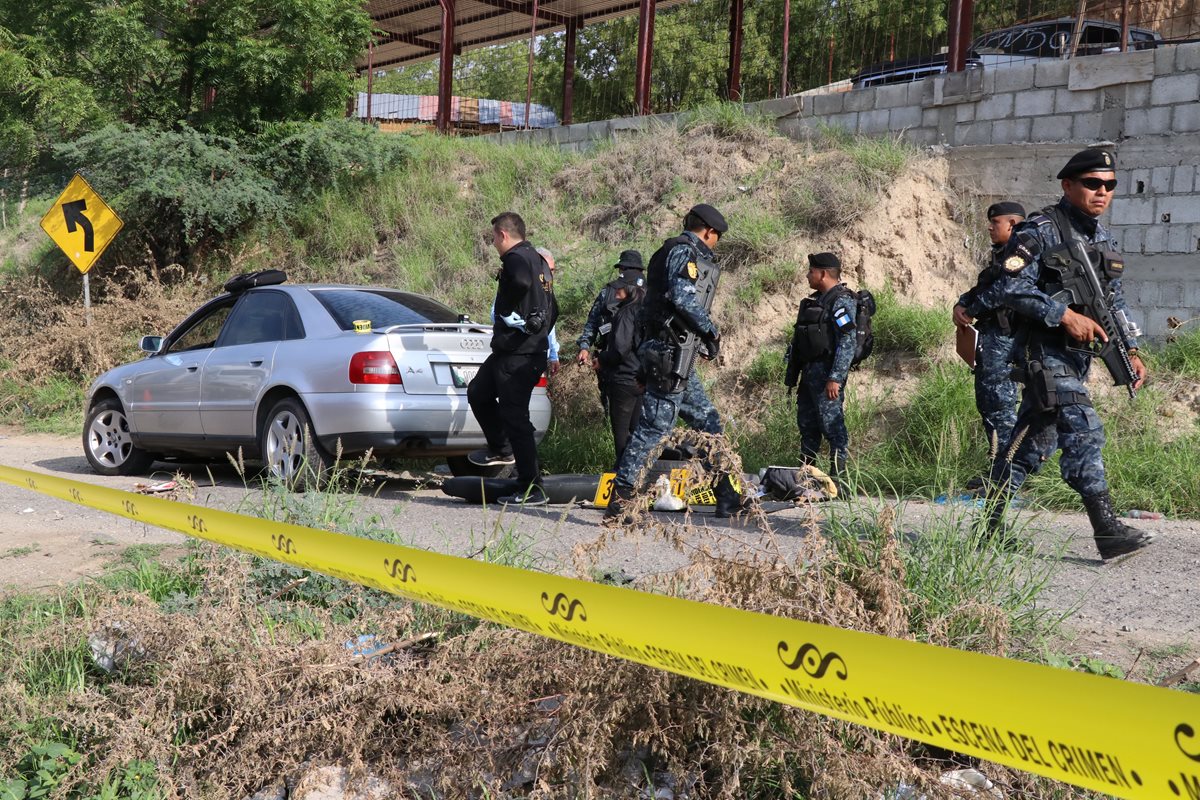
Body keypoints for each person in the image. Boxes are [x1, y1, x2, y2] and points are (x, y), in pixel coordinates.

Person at [983, 148, 1154, 561]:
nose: (1102, 192)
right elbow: (1007, 287)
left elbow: (1113, 300)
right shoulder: (1038, 231)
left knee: (1030, 448)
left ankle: (988, 527)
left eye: (1109, 186)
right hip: (1044, 353)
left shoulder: (1100, 237)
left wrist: (1130, 348)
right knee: (1084, 429)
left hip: (1076, 357)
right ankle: (1107, 531)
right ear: (1068, 185)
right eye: (1093, 184)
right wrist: (1062, 315)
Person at [603, 204, 744, 522]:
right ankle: (622, 503)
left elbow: (651, 310)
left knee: (708, 423)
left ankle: (727, 495)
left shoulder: (668, 253)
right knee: (653, 429)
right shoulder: (682, 252)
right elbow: (682, 299)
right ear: (708, 231)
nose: (715, 243)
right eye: (716, 237)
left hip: (673, 354)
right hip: (670, 354)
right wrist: (711, 331)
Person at [467, 212, 559, 506]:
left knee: (515, 416)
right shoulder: (541, 262)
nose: (493, 243)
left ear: (503, 235)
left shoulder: (516, 259)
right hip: (511, 351)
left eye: (494, 237)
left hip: (520, 354)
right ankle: (502, 448)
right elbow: (554, 307)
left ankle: (532, 486)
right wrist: (540, 328)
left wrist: (506, 309)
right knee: (478, 393)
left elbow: (518, 281)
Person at [953, 202, 1027, 475]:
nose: (989, 226)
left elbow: (1003, 292)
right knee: (989, 404)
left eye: (995, 222)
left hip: (1006, 342)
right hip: (992, 340)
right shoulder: (1001, 257)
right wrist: (961, 305)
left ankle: (1006, 475)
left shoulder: (1020, 257)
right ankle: (999, 470)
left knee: (1000, 407)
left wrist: (970, 310)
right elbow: (983, 286)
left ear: (1013, 224)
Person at [783, 252, 856, 488]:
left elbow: (847, 341)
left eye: (811, 271)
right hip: (809, 375)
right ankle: (807, 480)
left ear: (823, 273)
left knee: (833, 429)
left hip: (827, 377)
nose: (807, 275)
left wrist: (835, 378)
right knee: (807, 427)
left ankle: (840, 484)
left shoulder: (841, 301)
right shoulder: (816, 301)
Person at [575, 250, 646, 405]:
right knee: (610, 402)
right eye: (625, 270)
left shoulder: (651, 295)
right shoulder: (608, 292)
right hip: (609, 358)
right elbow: (593, 321)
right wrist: (585, 346)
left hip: (640, 363)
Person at [593, 271, 645, 468]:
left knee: (621, 434)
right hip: (641, 379)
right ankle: (638, 474)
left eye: (620, 287)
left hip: (623, 379)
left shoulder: (625, 313)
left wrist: (602, 359)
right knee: (637, 431)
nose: (616, 290)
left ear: (631, 289)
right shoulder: (645, 311)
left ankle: (622, 477)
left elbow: (620, 350)